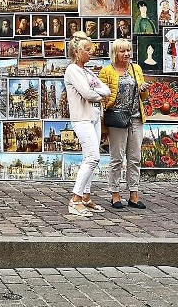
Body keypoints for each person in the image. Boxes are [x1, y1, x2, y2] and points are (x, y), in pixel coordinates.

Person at [64, 31, 111, 217]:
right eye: (87, 50)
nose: (91, 53)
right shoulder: (72, 70)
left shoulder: (87, 71)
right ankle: (75, 200)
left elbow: (106, 89)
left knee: (88, 158)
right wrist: (97, 93)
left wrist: (96, 91)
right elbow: (88, 93)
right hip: (82, 118)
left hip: (93, 117)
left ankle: (86, 196)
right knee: (93, 157)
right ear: (77, 51)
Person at [99, 39, 149, 210]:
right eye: (122, 51)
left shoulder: (136, 69)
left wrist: (143, 89)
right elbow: (102, 98)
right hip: (116, 118)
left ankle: (134, 194)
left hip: (135, 117)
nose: (127, 54)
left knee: (135, 158)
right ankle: (115, 194)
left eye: (128, 50)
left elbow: (143, 97)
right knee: (117, 158)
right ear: (115, 53)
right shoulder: (106, 71)